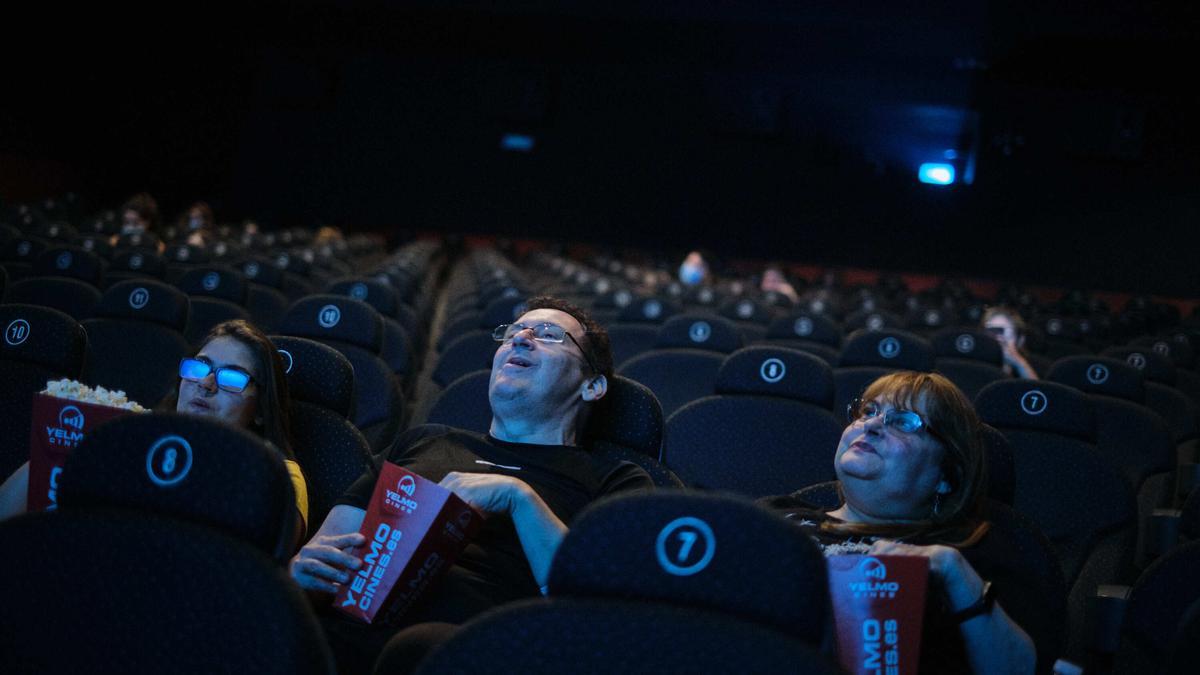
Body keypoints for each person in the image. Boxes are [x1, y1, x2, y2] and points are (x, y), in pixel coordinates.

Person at [290, 296, 653, 673]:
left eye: (549, 334)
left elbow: (605, 612)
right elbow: (325, 553)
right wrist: (302, 574)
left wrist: (519, 498)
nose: (522, 337)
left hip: (481, 654)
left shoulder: (614, 481)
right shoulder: (425, 442)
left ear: (592, 386)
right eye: (512, 332)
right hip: (345, 638)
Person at [761, 372, 1037, 675]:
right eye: (869, 411)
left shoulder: (969, 554)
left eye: (904, 421)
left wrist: (957, 576)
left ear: (946, 476)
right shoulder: (775, 511)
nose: (872, 425)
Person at [0, 320, 309, 543]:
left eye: (232, 377)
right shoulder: (133, 434)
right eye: (199, 367)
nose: (206, 383)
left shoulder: (280, 474)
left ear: (260, 409)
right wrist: (68, 448)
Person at [982, 306, 1039, 379]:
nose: (997, 338)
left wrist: (1019, 363)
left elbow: (1036, 389)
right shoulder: (975, 365)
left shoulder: (1037, 367)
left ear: (1020, 340)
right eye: (992, 331)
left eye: (1001, 331)